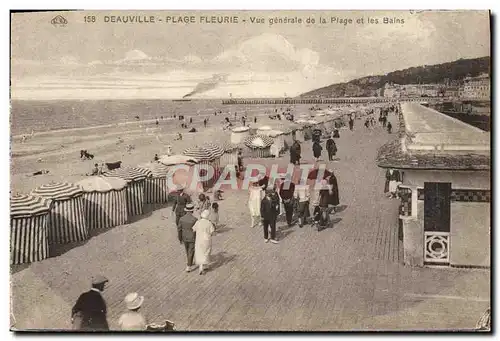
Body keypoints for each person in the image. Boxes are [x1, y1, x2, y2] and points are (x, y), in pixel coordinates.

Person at [193, 210, 216, 275]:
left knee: (200, 252)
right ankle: (205, 265)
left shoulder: (198, 222)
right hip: (207, 240)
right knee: (206, 252)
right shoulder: (209, 223)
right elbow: (212, 232)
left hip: (199, 239)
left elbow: (194, 229)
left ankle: (201, 266)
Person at [177, 203, 197, 272]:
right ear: (192, 211)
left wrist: (180, 238)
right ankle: (189, 265)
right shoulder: (194, 219)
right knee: (191, 251)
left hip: (184, 237)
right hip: (192, 237)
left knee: (187, 250)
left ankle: (189, 262)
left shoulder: (182, 219)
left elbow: (179, 229)